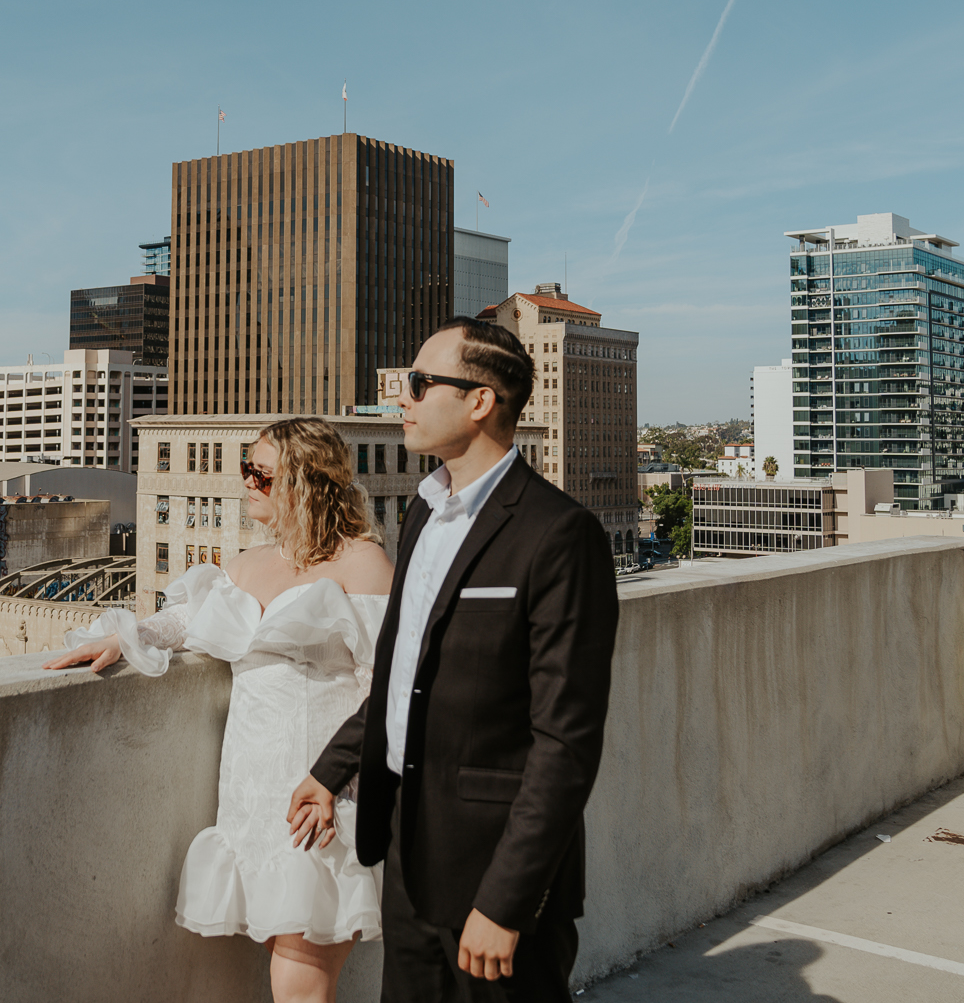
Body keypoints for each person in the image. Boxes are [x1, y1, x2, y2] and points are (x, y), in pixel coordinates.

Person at [288, 317, 619, 1002]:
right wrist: (333, 767)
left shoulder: (559, 534)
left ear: (479, 401)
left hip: (495, 869)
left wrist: (507, 900)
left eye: (417, 383)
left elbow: (566, 740)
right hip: (408, 850)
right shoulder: (422, 514)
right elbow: (402, 673)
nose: (400, 399)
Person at [44, 417, 393, 1003]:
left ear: (308, 481)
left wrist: (343, 784)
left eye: (262, 473)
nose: (247, 482)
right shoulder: (245, 563)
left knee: (300, 984)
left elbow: (382, 689)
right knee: (285, 962)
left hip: (320, 794)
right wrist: (127, 639)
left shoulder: (364, 564)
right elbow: (183, 621)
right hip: (250, 796)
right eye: (246, 469)